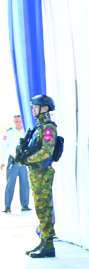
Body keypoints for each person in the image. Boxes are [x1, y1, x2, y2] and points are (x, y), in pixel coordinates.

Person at [19, 95, 60, 258]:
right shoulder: (38, 127)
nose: (33, 109)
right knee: (39, 207)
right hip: (36, 173)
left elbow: (46, 151)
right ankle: (44, 241)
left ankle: (48, 245)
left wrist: (28, 159)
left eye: (36, 107)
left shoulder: (48, 128)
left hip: (43, 173)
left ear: (44, 108)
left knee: (44, 207)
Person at [3, 115, 30, 213]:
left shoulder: (26, 131)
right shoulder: (9, 132)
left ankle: (25, 205)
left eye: (19, 121)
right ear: (14, 122)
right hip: (13, 161)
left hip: (23, 162)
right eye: (16, 121)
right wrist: (2, 162)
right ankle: (7, 206)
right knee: (10, 184)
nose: (18, 123)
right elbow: (4, 147)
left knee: (25, 184)